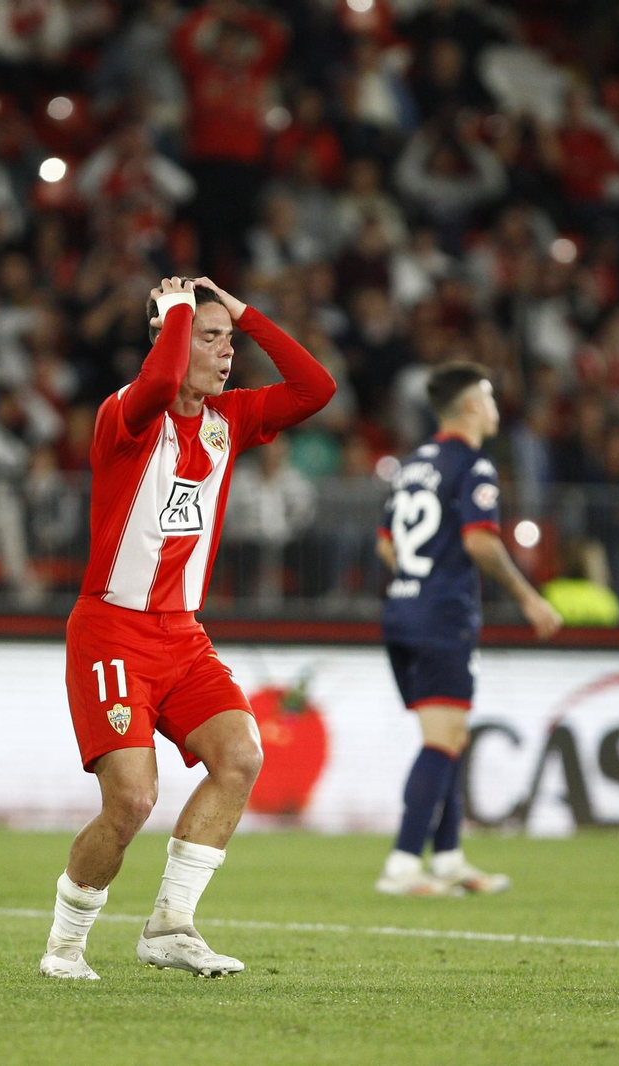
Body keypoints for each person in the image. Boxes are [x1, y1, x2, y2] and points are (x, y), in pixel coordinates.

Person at [40, 277, 335, 980]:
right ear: (168, 337)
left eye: (228, 341)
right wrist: (175, 311)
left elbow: (316, 387)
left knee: (240, 755)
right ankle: (64, 946)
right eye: (209, 337)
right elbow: (163, 377)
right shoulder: (126, 417)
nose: (225, 352)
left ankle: (171, 926)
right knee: (132, 801)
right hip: (111, 629)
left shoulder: (227, 420)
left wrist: (244, 313)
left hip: (182, 636)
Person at [375, 362, 561, 897]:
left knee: (447, 738)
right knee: (445, 739)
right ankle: (404, 864)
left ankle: (449, 856)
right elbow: (481, 542)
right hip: (442, 616)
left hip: (403, 612)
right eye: (490, 395)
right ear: (473, 406)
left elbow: (386, 544)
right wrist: (530, 598)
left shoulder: (413, 465)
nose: (496, 405)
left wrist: (418, 579)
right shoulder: (473, 466)